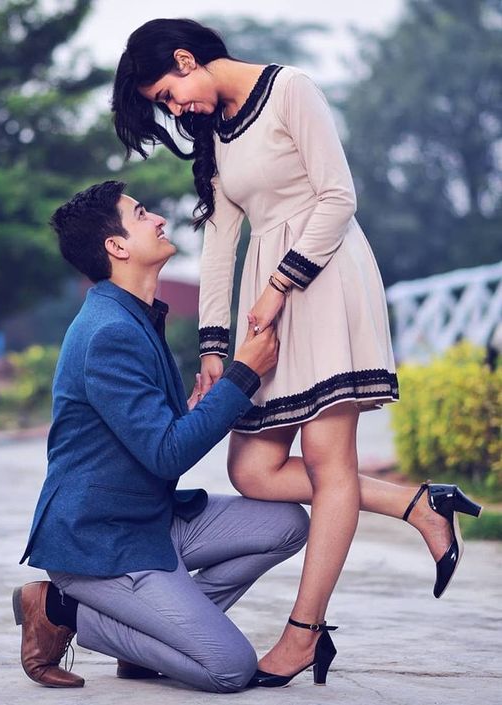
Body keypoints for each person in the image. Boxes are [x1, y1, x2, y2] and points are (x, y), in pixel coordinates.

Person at [111, 18, 483, 687]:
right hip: (268, 302)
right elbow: (220, 242)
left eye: (168, 94)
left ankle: (304, 633)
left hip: (324, 278)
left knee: (325, 459)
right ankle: (417, 504)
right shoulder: (215, 131)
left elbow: (339, 197)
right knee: (252, 469)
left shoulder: (291, 89)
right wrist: (215, 348)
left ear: (187, 59)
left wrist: (281, 284)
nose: (176, 109)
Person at [14, 180, 311, 693]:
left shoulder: (134, 317)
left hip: (149, 521)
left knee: (286, 523)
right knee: (229, 668)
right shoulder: (110, 331)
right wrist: (243, 375)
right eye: (141, 214)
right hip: (101, 543)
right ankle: (62, 609)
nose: (157, 219)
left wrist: (195, 409)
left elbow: (149, 434)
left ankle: (148, 642)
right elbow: (167, 453)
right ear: (117, 246)